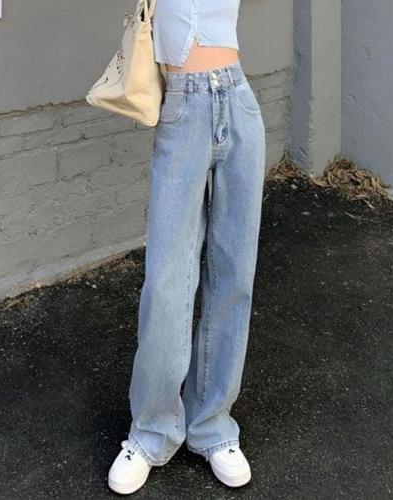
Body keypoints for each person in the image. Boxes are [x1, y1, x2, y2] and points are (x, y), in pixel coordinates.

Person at [108, 0, 266, 494]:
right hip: (181, 107)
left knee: (234, 273)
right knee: (166, 281)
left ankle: (212, 425)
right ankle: (151, 431)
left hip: (237, 99)